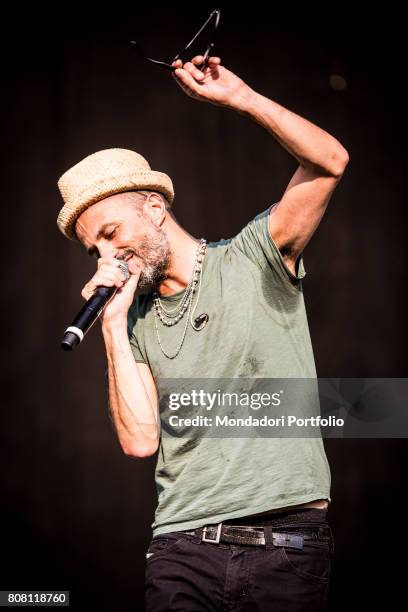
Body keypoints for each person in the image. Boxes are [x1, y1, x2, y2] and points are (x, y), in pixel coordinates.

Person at [57, 54, 348, 611]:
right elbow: (140, 441)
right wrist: (114, 325)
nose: (106, 254)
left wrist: (240, 96)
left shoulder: (253, 257)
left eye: (112, 233)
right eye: (94, 248)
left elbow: (331, 162)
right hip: (181, 549)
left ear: (155, 206)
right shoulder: (132, 317)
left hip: (285, 546)